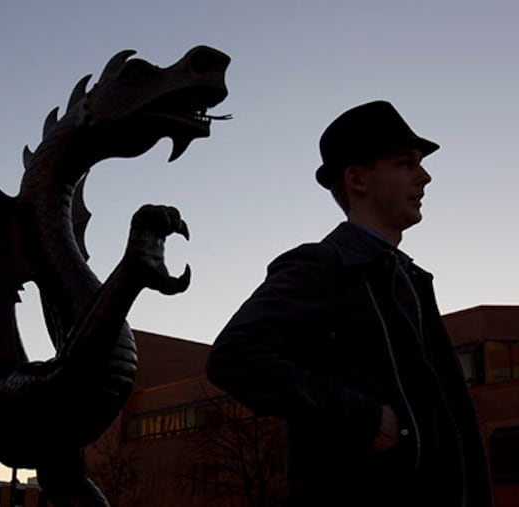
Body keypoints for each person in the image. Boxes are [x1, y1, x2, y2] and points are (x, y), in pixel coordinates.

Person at [205, 101, 492, 506]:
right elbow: (234, 357)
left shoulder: (410, 279)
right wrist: (365, 417)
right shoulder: (321, 266)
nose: (425, 176)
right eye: (405, 163)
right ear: (358, 179)